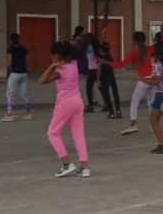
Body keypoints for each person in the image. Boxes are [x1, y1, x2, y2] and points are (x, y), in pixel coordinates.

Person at [109, 25, 163, 135]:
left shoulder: (135, 52)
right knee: (151, 103)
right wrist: (162, 32)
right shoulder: (151, 49)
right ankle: (155, 125)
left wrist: (106, 62)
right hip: (153, 80)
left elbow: (121, 64)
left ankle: (133, 124)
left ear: (134, 41)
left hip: (143, 80)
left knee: (135, 101)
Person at [40, 41, 90, 178]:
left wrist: (52, 67)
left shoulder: (60, 71)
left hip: (65, 103)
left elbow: (42, 80)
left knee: (53, 133)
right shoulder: (74, 64)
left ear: (57, 55)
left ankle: (67, 164)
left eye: (52, 56)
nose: (51, 58)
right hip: (78, 102)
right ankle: (84, 167)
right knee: (78, 134)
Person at [3, 33, 32, 122]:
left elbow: (9, 63)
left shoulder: (10, 49)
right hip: (24, 73)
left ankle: (9, 114)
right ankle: (28, 113)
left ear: (11, 40)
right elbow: (27, 61)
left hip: (15, 73)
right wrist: (27, 69)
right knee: (24, 93)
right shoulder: (23, 49)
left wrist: (7, 68)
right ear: (19, 39)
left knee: (10, 93)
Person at [98, 38, 122, 120]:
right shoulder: (110, 57)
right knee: (115, 93)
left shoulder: (100, 58)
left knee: (106, 95)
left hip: (103, 78)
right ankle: (118, 110)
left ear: (101, 50)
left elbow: (99, 69)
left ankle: (111, 112)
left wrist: (98, 79)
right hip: (111, 77)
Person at [82, 33, 101, 112]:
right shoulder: (96, 47)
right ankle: (104, 102)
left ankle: (90, 105)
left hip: (91, 68)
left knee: (89, 87)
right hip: (95, 68)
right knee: (97, 86)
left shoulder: (88, 47)